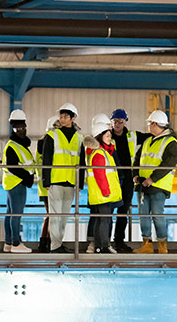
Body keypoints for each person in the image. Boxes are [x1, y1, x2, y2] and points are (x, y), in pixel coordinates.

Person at [133, 110, 177, 255]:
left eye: (150, 123)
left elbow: (168, 164)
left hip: (158, 186)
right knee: (143, 215)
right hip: (143, 185)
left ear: (155, 124)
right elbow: (137, 159)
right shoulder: (148, 141)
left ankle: (162, 245)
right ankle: (147, 244)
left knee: (157, 215)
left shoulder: (172, 143)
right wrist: (135, 174)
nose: (149, 126)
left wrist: (152, 179)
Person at [42, 103, 84, 253]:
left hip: (71, 182)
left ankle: (58, 243)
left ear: (73, 118)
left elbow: (82, 162)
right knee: (55, 216)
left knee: (64, 216)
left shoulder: (80, 138)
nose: (62, 118)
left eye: (66, 116)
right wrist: (46, 181)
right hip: (55, 181)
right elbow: (46, 159)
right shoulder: (52, 135)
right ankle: (55, 246)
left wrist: (80, 184)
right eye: (61, 116)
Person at [110, 108, 152, 253]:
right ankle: (104, 243)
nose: (117, 124)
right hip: (112, 178)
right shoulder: (107, 136)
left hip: (127, 179)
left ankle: (119, 241)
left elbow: (151, 137)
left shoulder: (132, 136)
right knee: (107, 211)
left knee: (123, 210)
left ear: (125, 122)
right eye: (115, 121)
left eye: (120, 122)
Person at [85, 116, 122, 254]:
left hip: (100, 194)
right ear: (99, 137)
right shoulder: (100, 153)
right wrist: (106, 191)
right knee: (104, 221)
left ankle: (99, 247)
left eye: (110, 135)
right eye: (107, 135)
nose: (109, 138)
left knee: (100, 220)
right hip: (103, 194)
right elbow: (100, 175)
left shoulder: (101, 152)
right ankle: (104, 246)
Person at [2, 109, 36, 253]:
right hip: (17, 183)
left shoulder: (19, 145)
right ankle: (16, 243)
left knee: (10, 213)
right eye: (18, 128)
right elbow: (13, 166)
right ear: (13, 128)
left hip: (14, 183)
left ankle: (8, 243)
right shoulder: (12, 146)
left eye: (23, 127)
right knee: (16, 214)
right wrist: (27, 177)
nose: (21, 130)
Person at [35, 115, 59, 253]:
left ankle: (45, 242)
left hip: (44, 185)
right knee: (52, 216)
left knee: (51, 215)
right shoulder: (47, 142)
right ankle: (46, 243)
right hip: (49, 185)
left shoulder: (41, 142)